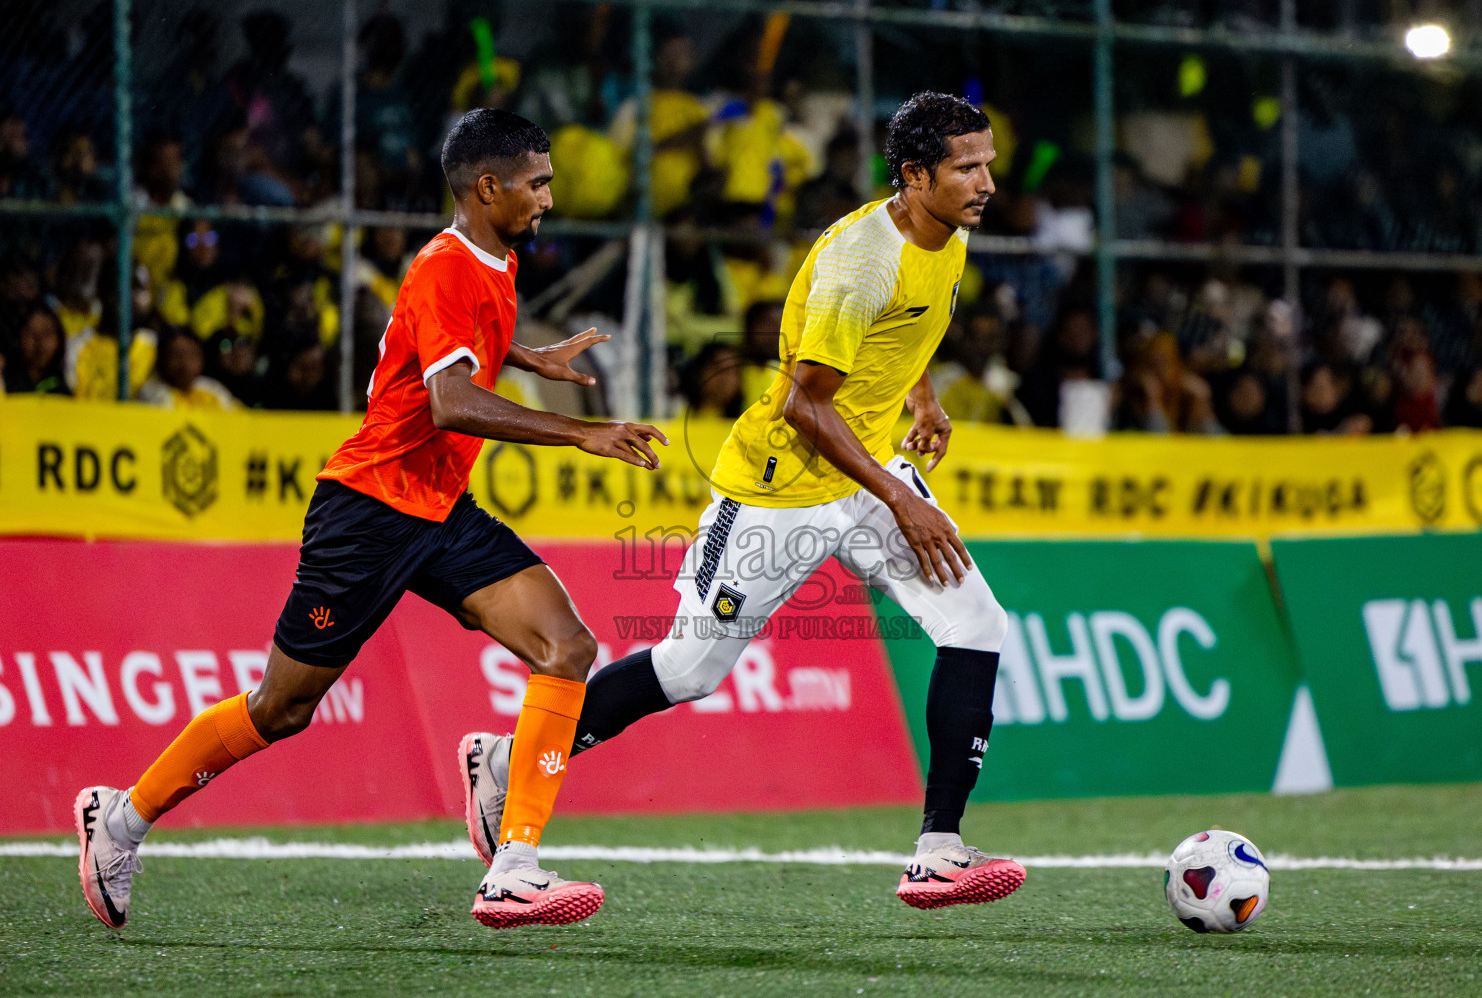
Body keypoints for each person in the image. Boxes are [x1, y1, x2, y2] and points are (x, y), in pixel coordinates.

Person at [74, 109, 668, 932]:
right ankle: (122, 818)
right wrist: (584, 433)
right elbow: (450, 400)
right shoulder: (445, 267)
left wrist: (529, 357)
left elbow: (446, 347)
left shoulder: (492, 260)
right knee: (282, 708)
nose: (549, 198)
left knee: (566, 645)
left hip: (438, 509)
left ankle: (514, 865)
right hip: (369, 512)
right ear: (487, 187)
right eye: (538, 183)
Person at [463, 91, 1027, 910]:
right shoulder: (858, 262)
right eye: (967, 167)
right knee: (690, 668)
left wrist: (922, 399)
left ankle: (939, 850)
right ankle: (509, 762)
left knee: (976, 622)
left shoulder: (944, 233)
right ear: (913, 176)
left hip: (861, 469)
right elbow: (806, 404)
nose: (986, 183)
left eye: (988, 165)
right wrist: (905, 503)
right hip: (779, 486)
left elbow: (905, 329)